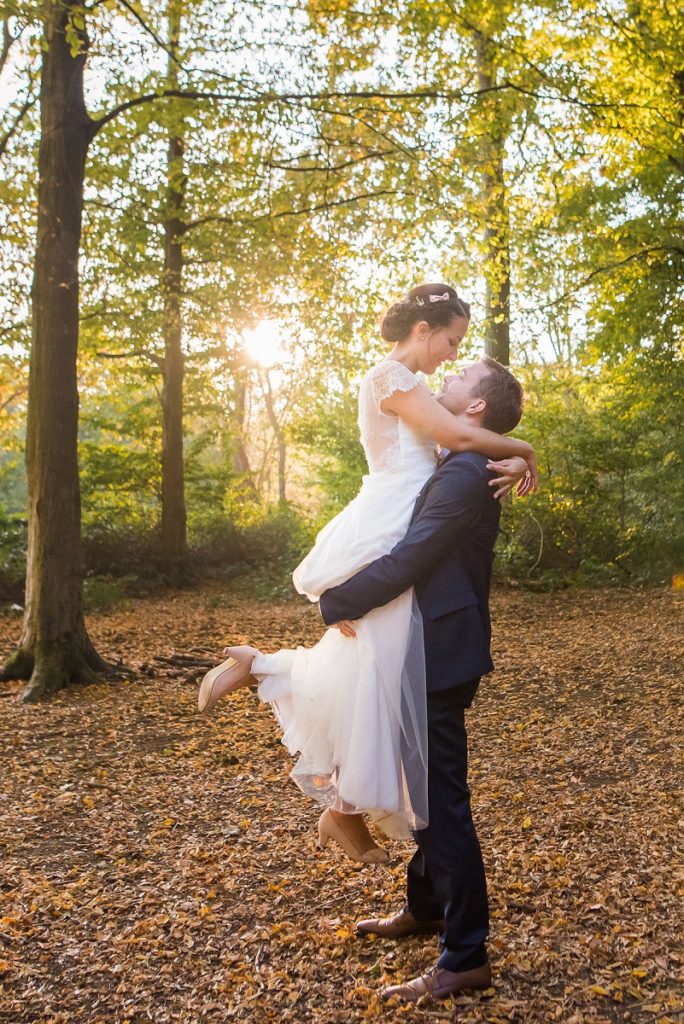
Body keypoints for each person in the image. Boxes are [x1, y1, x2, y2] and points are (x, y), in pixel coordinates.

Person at [198, 283, 535, 866]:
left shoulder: (420, 387)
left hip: (407, 514)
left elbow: (460, 442)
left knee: (372, 672)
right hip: (390, 521)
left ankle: (340, 799)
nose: (451, 355)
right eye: (450, 340)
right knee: (376, 670)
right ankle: (340, 797)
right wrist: (527, 448)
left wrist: (509, 455)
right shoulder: (391, 379)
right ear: (424, 330)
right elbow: (457, 437)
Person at [316, 357, 526, 1002]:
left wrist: (336, 600)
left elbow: (412, 556)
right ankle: (427, 907)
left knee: (441, 806)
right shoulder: (459, 460)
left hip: (441, 652)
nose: (446, 380)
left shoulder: (464, 474)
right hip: (429, 645)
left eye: (461, 377)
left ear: (475, 409)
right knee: (425, 792)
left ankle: (464, 957)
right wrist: (524, 452)